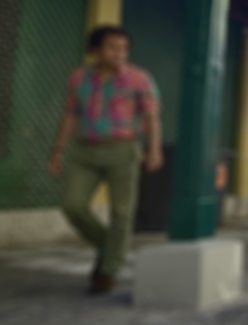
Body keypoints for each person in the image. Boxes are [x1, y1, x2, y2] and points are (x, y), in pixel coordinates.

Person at [48, 25, 163, 295]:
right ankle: (107, 245)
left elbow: (150, 117)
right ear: (94, 51)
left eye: (124, 48)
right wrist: (58, 150)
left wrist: (154, 149)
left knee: (122, 212)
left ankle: (108, 269)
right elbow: (70, 114)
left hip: (123, 150)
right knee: (72, 205)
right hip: (84, 150)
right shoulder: (78, 78)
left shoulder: (139, 79)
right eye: (112, 47)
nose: (119, 53)